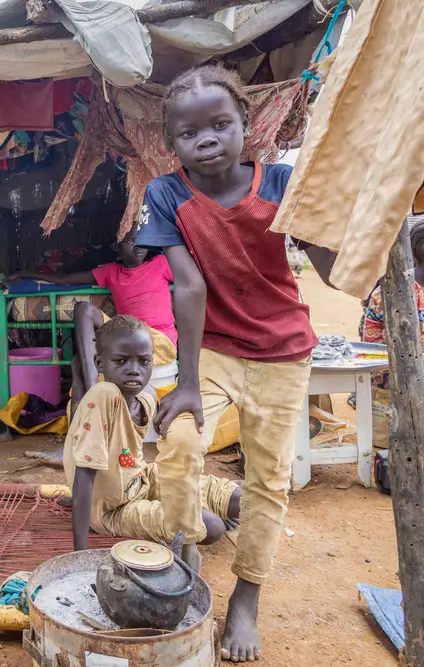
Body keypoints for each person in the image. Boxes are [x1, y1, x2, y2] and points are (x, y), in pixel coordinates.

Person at [134, 65, 336, 662]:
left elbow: (326, 267)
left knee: (268, 479)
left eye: (220, 124)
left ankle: (247, 595)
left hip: (283, 351)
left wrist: (332, 216)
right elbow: (188, 286)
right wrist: (188, 383)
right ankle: (186, 550)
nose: (207, 139)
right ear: (171, 142)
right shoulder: (166, 193)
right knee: (179, 443)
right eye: (190, 131)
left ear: (248, 124)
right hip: (216, 350)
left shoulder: (280, 181)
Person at [65, 313, 241, 552]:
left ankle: (198, 509)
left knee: (238, 499)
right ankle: (196, 515)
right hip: (112, 511)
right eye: (121, 361)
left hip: (141, 480)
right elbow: (84, 476)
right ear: (100, 364)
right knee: (212, 527)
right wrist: (80, 554)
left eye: (143, 361)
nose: (134, 370)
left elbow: (137, 458)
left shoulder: (146, 398)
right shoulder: (103, 395)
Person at [7, 226, 177, 346]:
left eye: (143, 240)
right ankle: (92, 390)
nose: (139, 247)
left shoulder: (161, 264)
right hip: (130, 338)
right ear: (118, 246)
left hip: (161, 339)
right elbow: (63, 279)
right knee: (82, 310)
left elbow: (192, 282)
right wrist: (24, 274)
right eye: (131, 241)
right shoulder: (110, 272)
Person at [361, 222, 424, 388]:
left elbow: (369, 344)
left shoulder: (385, 291)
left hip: (383, 371)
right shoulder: (395, 292)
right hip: (395, 378)